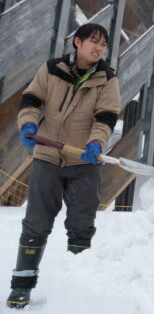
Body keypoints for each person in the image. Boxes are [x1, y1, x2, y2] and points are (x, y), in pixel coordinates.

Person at [6, 23, 120, 309]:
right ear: (77, 43)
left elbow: (106, 117)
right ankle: (21, 285)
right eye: (93, 42)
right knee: (36, 222)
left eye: (103, 45)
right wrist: (29, 123)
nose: (99, 48)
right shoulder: (52, 69)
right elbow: (30, 99)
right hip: (47, 155)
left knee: (82, 225)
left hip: (84, 160)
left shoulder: (107, 79)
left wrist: (96, 144)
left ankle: (75, 289)